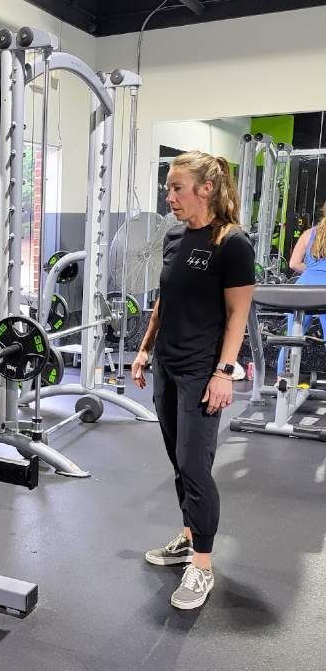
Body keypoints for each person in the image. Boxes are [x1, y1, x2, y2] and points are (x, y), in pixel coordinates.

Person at [132, 151, 255, 611]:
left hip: (203, 373)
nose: (170, 196)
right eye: (168, 187)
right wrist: (146, 347)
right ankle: (187, 538)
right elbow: (165, 301)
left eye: (176, 187)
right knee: (178, 461)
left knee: (196, 466)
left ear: (205, 189)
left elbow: (238, 314)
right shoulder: (175, 236)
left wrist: (225, 371)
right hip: (167, 364)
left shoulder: (232, 243)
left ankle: (202, 565)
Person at [276, 207, 326, 374]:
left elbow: (293, 264)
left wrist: (312, 270)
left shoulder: (308, 234)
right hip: (324, 291)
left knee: (291, 339)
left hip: (303, 288)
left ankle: (280, 382)